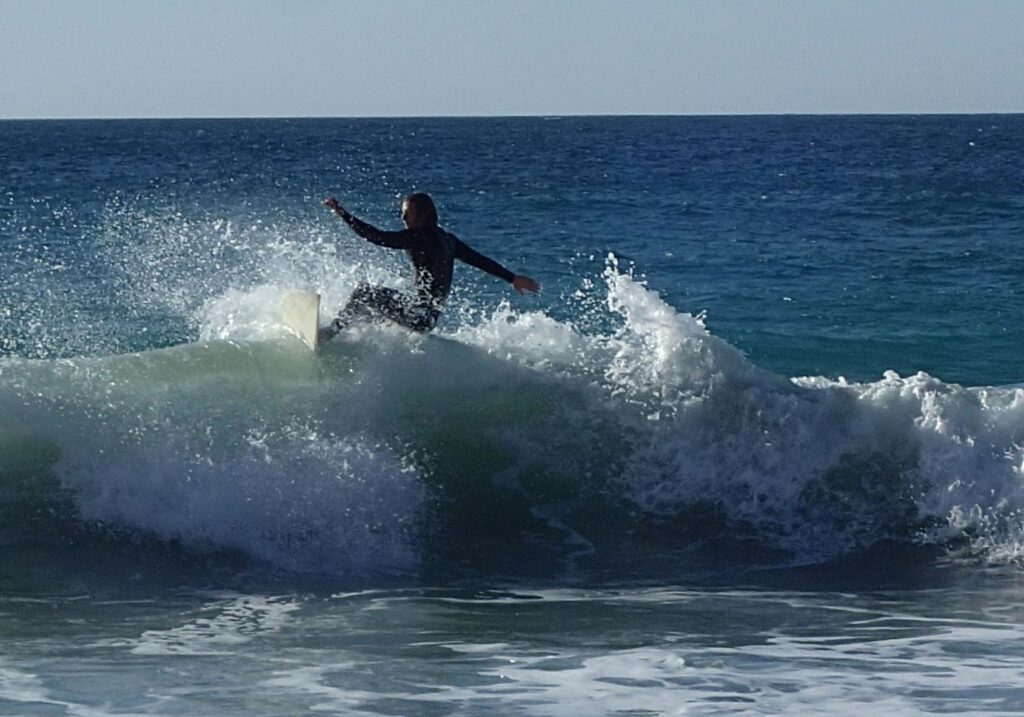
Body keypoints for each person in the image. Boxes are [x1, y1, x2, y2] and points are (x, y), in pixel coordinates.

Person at [321, 192, 539, 337]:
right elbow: (478, 260)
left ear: (422, 214)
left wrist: (342, 214)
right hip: (429, 318)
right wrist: (511, 278)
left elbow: (377, 237)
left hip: (418, 315)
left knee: (365, 293)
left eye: (408, 212)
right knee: (375, 308)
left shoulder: (419, 237)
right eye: (402, 212)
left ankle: (330, 333)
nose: (403, 217)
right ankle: (357, 330)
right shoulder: (447, 239)